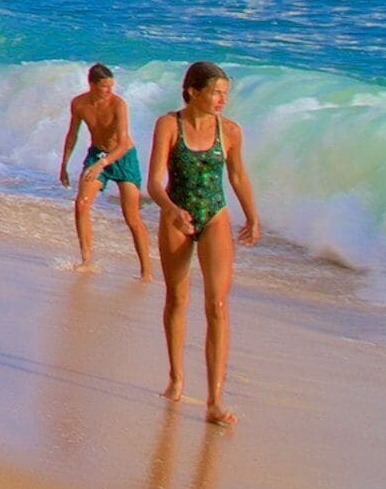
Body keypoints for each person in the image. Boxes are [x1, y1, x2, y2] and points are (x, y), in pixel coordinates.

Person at [149, 59, 260, 427]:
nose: (221, 100)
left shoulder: (230, 132)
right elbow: (153, 182)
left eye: (225, 94)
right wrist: (171, 210)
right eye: (215, 92)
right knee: (177, 297)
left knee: (218, 305)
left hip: (214, 215)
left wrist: (253, 216)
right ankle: (176, 378)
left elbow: (238, 175)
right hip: (176, 215)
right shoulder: (169, 125)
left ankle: (214, 400)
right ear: (193, 91)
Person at [54, 62, 150, 277]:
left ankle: (146, 271)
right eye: (104, 87)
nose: (109, 91)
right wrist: (64, 164)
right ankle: (87, 260)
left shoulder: (118, 104)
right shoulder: (79, 104)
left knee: (131, 216)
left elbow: (124, 143)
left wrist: (102, 164)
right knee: (81, 204)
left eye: (111, 86)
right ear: (91, 85)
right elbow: (72, 134)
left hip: (123, 157)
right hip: (97, 154)